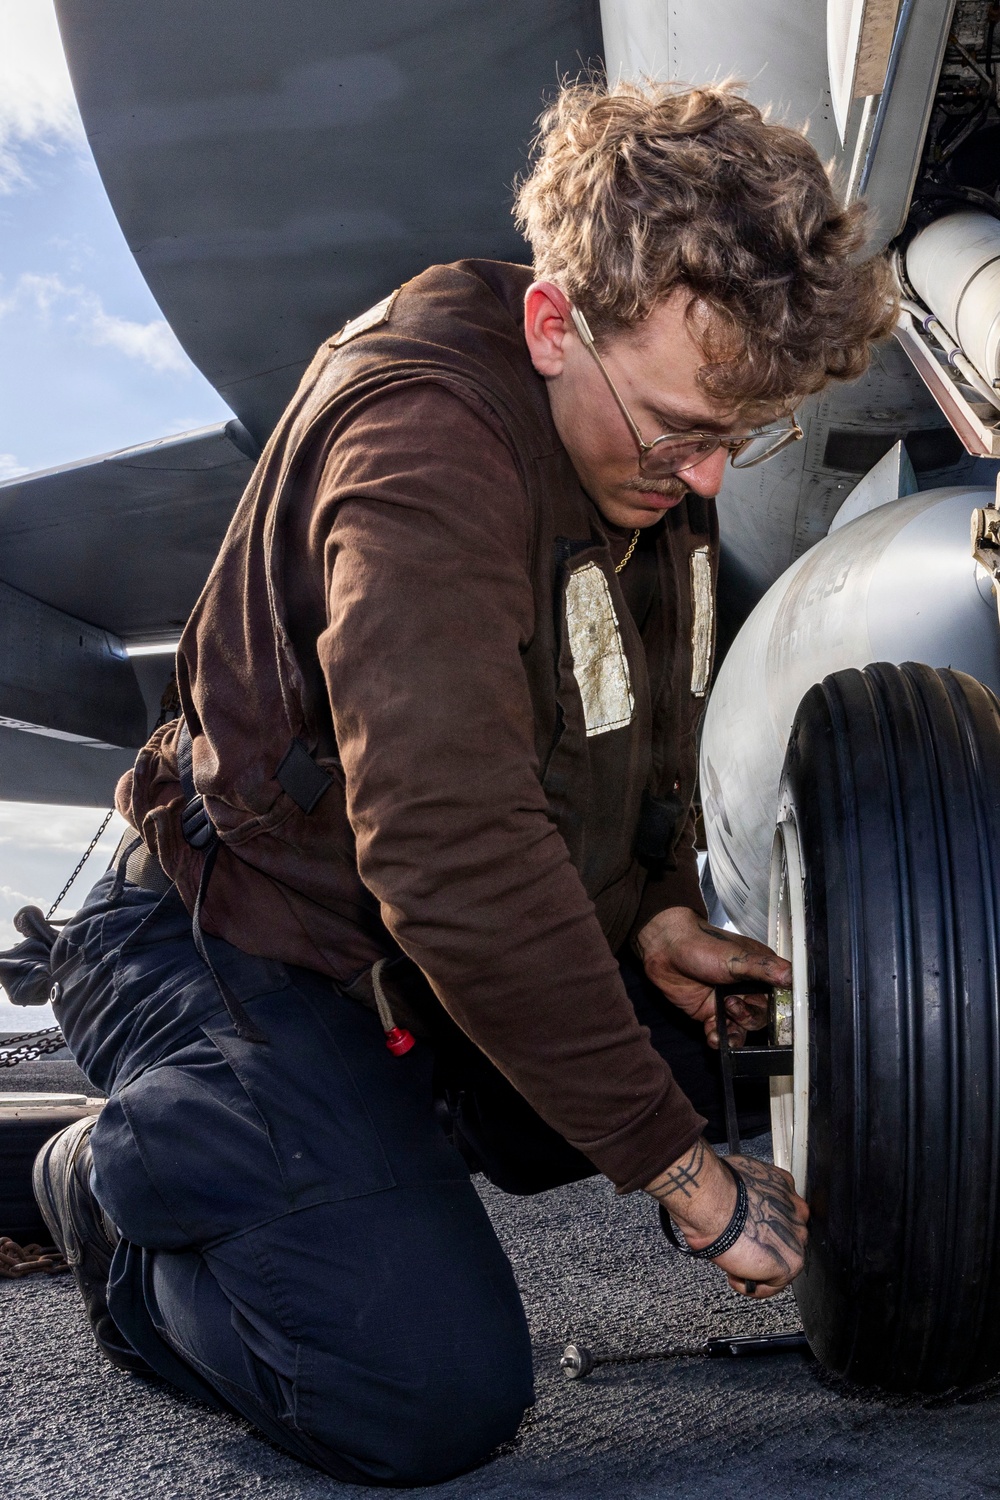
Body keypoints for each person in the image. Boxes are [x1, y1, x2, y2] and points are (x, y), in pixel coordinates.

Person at [33, 80, 896, 1486]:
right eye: (683, 429)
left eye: (743, 437)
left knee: (749, 1042)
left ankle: (361, 1148)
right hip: (233, 943)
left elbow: (636, 726)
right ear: (553, 326)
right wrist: (683, 1177)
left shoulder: (640, 453)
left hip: (405, 970)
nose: (707, 477)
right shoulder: (423, 441)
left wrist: (658, 912)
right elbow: (450, 856)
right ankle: (118, 1197)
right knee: (425, 1396)